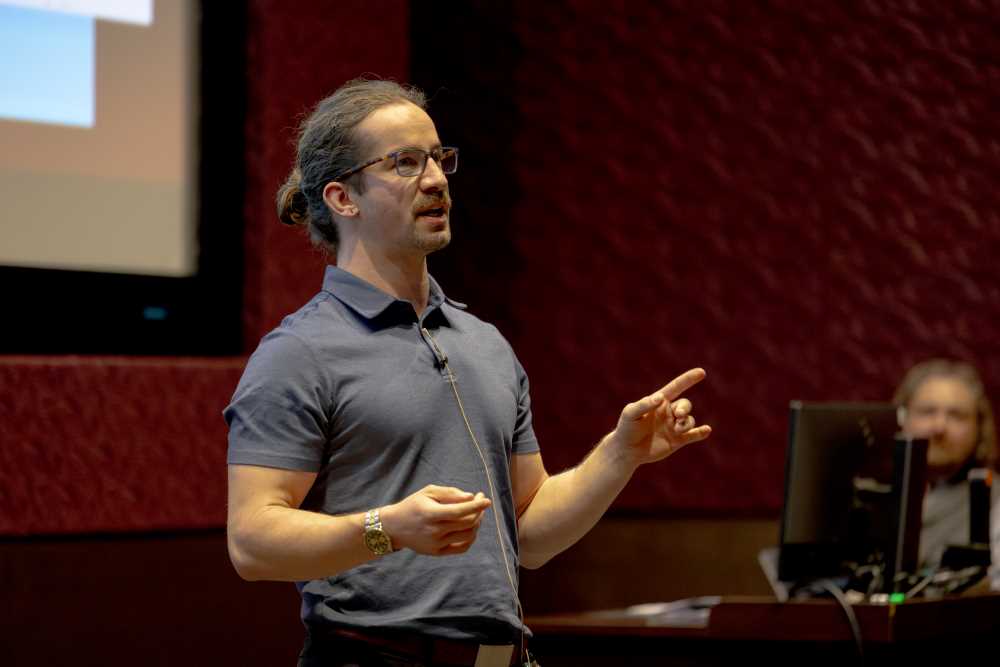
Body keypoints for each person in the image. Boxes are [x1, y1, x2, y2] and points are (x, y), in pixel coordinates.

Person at [223, 78, 712, 667]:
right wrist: (389, 528)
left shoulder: (485, 343)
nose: (434, 180)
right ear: (342, 198)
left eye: (437, 158)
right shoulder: (299, 352)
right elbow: (252, 543)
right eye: (405, 163)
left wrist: (619, 455)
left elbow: (528, 534)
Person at [894, 358, 1000, 589]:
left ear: (979, 428)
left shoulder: (995, 502)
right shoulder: (872, 497)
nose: (939, 426)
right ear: (902, 417)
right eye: (927, 411)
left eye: (956, 415)